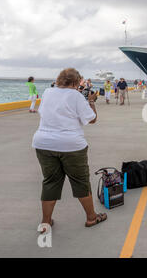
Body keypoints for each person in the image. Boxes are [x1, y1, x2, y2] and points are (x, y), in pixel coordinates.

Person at [32, 68, 107, 230]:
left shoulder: (47, 92)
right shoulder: (76, 96)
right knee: (81, 182)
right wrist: (91, 101)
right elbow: (91, 119)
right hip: (71, 145)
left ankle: (45, 222)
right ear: (75, 82)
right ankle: (91, 218)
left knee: (50, 182)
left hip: (43, 143)